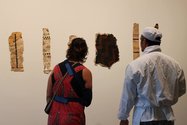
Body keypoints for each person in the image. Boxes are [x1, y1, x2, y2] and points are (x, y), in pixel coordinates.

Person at [118, 27, 186, 125]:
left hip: (144, 118)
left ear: (144, 41)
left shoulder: (135, 65)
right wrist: (166, 96)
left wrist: (123, 117)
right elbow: (181, 89)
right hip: (167, 117)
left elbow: (128, 95)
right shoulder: (174, 65)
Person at [46, 37, 92, 125]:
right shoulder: (85, 72)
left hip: (54, 116)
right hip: (73, 117)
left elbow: (49, 95)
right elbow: (88, 101)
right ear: (85, 52)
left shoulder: (56, 68)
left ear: (69, 50)